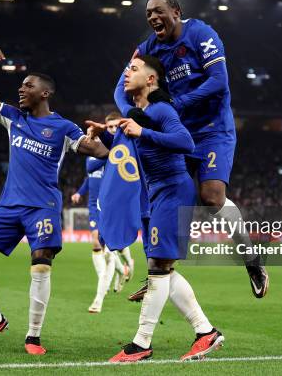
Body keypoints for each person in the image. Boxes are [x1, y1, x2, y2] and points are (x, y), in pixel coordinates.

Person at [114, 0, 268, 300]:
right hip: (177, 131)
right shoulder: (147, 49)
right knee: (162, 196)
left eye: (159, 11)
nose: (152, 17)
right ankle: (157, 270)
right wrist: (133, 113)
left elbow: (219, 81)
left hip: (212, 129)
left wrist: (177, 103)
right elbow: (121, 86)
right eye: (148, 13)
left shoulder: (201, 34)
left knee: (211, 197)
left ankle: (252, 260)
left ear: (176, 11)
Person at [0, 47, 108, 355]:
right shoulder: (12, 118)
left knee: (40, 264)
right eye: (21, 85)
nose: (21, 89)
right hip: (9, 205)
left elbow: (98, 152)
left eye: (28, 85)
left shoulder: (63, 127)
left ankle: (33, 336)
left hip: (43, 205)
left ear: (45, 93)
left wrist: (105, 136)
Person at [89, 55, 224, 362]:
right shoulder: (140, 112)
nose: (127, 74)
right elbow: (133, 144)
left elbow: (185, 142)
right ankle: (205, 332)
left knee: (157, 270)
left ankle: (141, 343)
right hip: (156, 194)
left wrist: (142, 132)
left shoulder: (162, 109)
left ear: (151, 79)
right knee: (163, 269)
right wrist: (106, 133)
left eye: (133, 69)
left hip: (174, 191)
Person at [71, 113, 134, 313]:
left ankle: (126, 265)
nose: (112, 130)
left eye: (115, 127)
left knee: (111, 249)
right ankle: (100, 296)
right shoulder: (99, 147)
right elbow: (90, 171)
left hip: (115, 206)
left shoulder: (123, 148)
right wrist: (79, 193)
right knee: (101, 248)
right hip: (95, 204)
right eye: (109, 127)